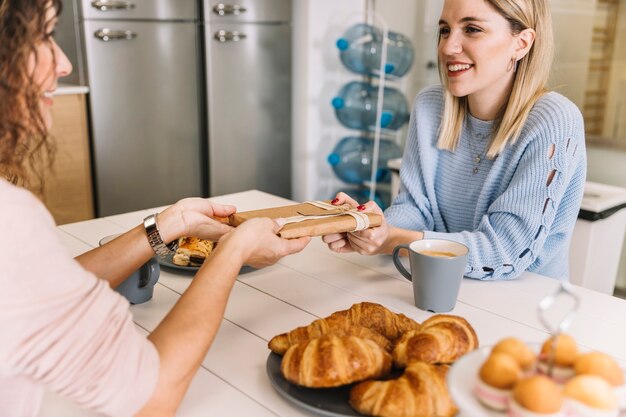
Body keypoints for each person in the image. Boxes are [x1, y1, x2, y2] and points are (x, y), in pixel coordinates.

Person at [0, 1, 310, 416]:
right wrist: (234, 251)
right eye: (45, 36)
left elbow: (34, 288)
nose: (65, 64)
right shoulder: (11, 216)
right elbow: (150, 395)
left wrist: (165, 227)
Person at [323, 0, 586, 281]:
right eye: (445, 30)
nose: (448, 47)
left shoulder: (554, 120)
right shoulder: (429, 106)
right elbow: (414, 208)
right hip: (438, 285)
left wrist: (391, 240)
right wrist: (372, 228)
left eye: (472, 29)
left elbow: (504, 253)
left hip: (525, 309)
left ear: (521, 44)